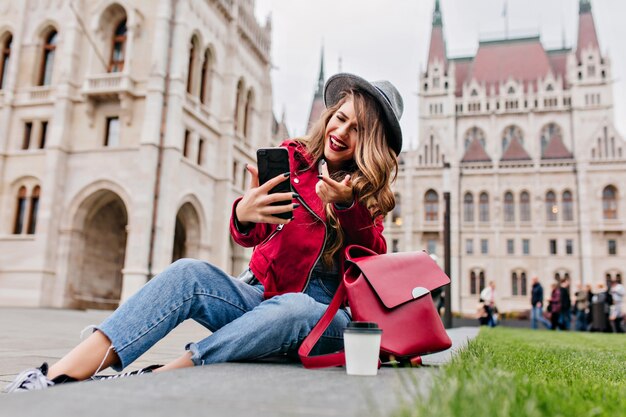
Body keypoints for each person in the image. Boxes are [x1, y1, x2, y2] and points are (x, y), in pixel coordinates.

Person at [5, 73, 404, 393]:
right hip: (263, 301)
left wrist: (347, 206)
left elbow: (373, 257)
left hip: (324, 321)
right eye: (340, 117)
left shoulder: (366, 192)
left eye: (357, 128)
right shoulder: (294, 161)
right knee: (188, 272)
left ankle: (170, 371)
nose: (341, 131)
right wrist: (245, 213)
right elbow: (254, 236)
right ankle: (57, 374)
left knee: (295, 309)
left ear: (370, 141)